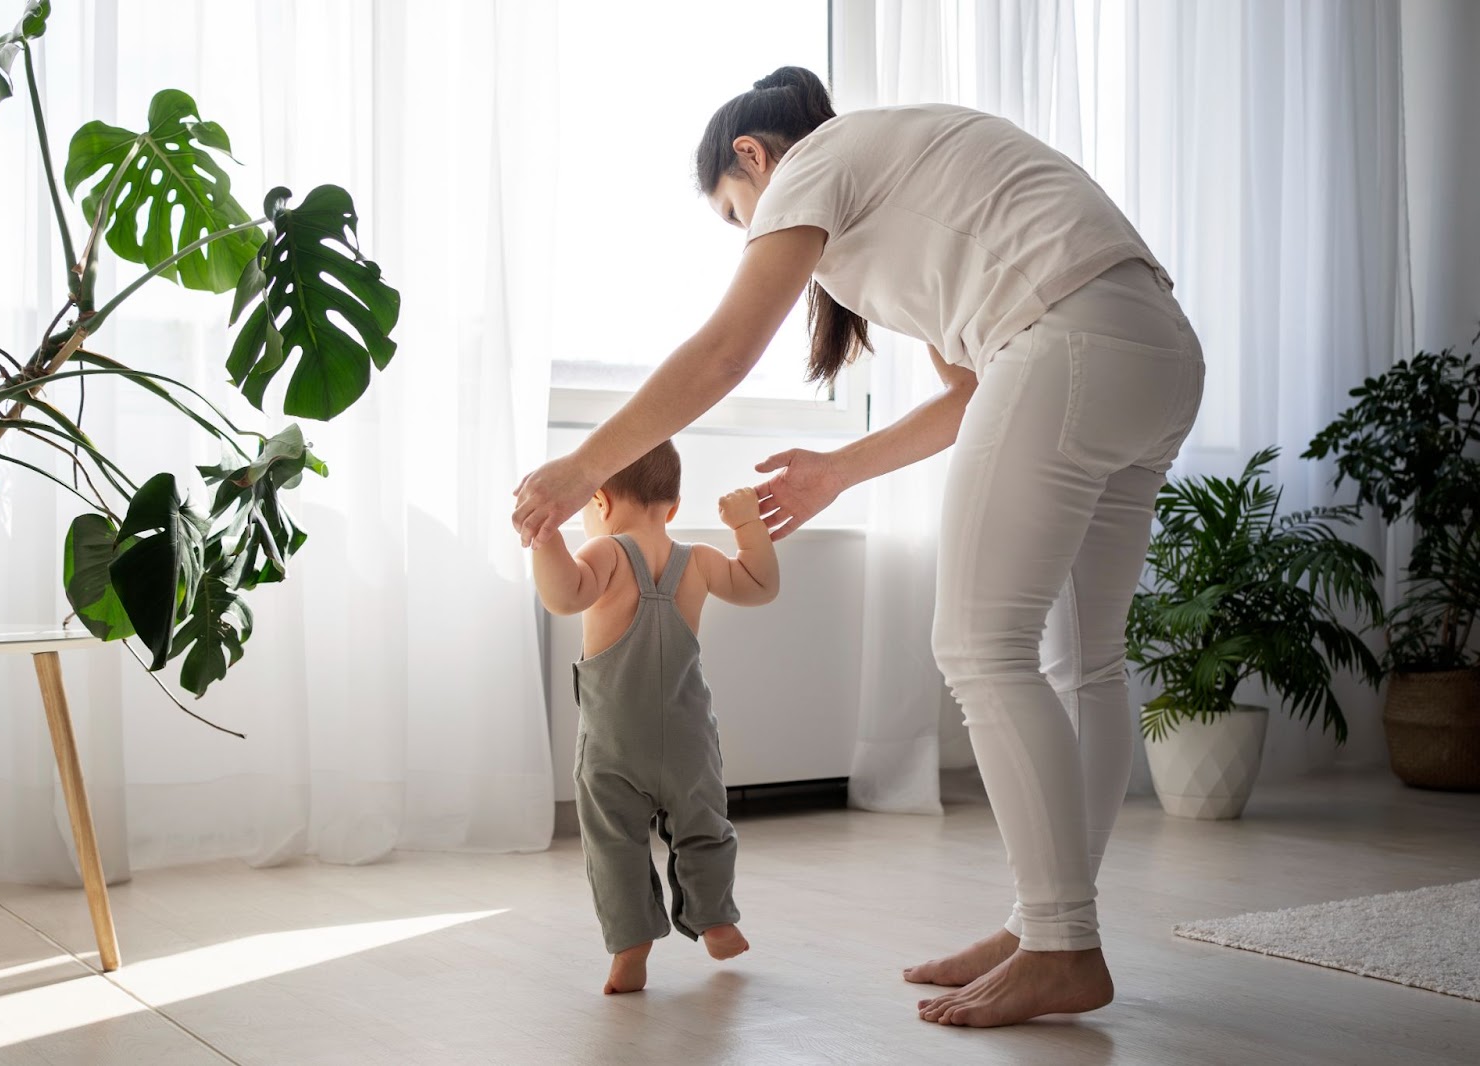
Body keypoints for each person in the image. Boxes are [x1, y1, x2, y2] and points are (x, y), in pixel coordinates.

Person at [513, 67, 1203, 1026]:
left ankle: (1062, 941)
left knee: (980, 647)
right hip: (1157, 351)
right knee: (1085, 662)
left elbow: (723, 353)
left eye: (732, 209)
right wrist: (837, 471)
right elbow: (971, 394)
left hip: (1068, 340)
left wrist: (581, 465)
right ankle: (1050, 922)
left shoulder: (819, 162)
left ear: (753, 157)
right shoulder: (895, 172)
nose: (747, 229)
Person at [530, 440, 780, 994]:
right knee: (705, 828)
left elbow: (563, 597)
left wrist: (544, 539)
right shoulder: (701, 561)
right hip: (689, 738)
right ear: (672, 506)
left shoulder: (606, 553)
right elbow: (763, 587)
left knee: (614, 842)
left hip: (614, 745)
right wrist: (746, 526)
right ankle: (716, 919)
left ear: (599, 500)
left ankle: (631, 949)